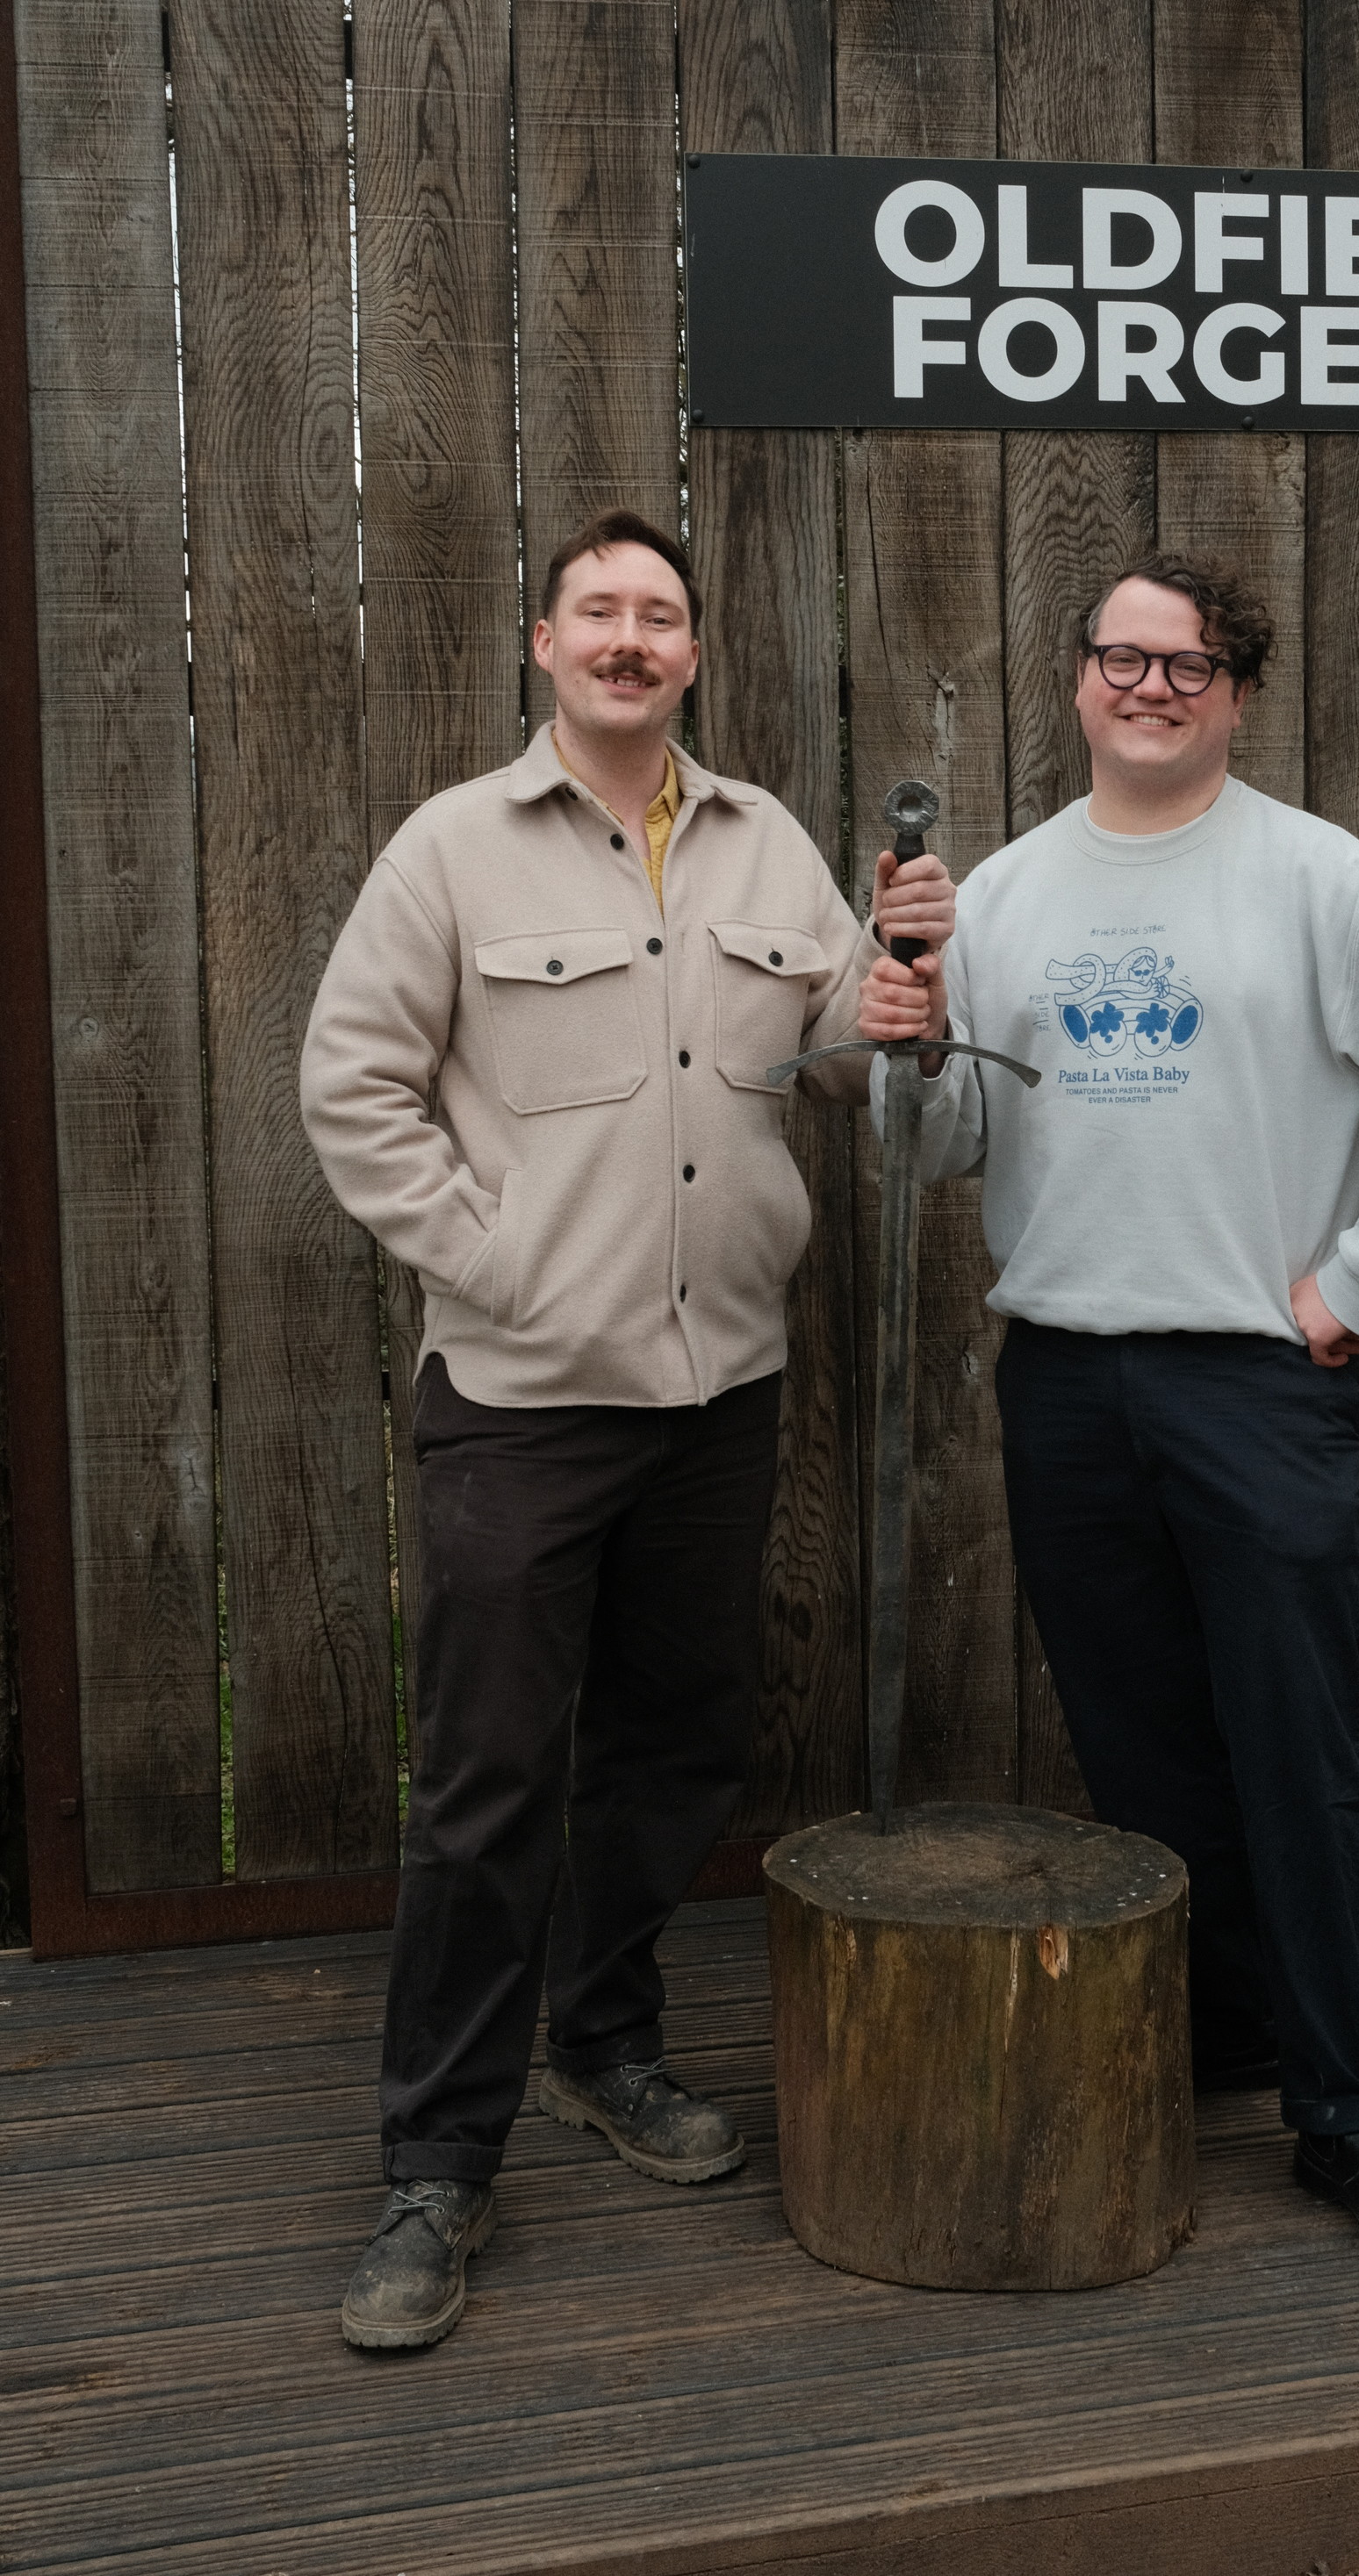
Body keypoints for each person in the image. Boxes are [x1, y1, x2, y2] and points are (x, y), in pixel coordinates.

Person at [300, 511, 952, 2352]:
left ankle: (606, 2044)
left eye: (659, 614)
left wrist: (897, 993)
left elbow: (836, 1047)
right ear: (544, 642)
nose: (631, 638)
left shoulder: (766, 840)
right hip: (521, 1402)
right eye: (600, 610)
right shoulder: (453, 848)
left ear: (690, 653)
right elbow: (351, 1089)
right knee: (487, 1783)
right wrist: (496, 1264)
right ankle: (437, 2161)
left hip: (721, 1391)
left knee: (673, 1746)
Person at [859, 549, 1359, 2280]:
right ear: (1079, 680)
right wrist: (909, 1044)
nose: (1148, 687)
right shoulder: (996, 895)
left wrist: (1358, 1288)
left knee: (1295, 1753)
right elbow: (934, 1156)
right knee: (1145, 1746)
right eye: (1120, 658)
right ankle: (1226, 2036)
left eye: (1189, 664)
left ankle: (1350, 2115)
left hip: (1255, 1378)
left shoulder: (1314, 879)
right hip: (1069, 1379)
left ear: (1238, 692)